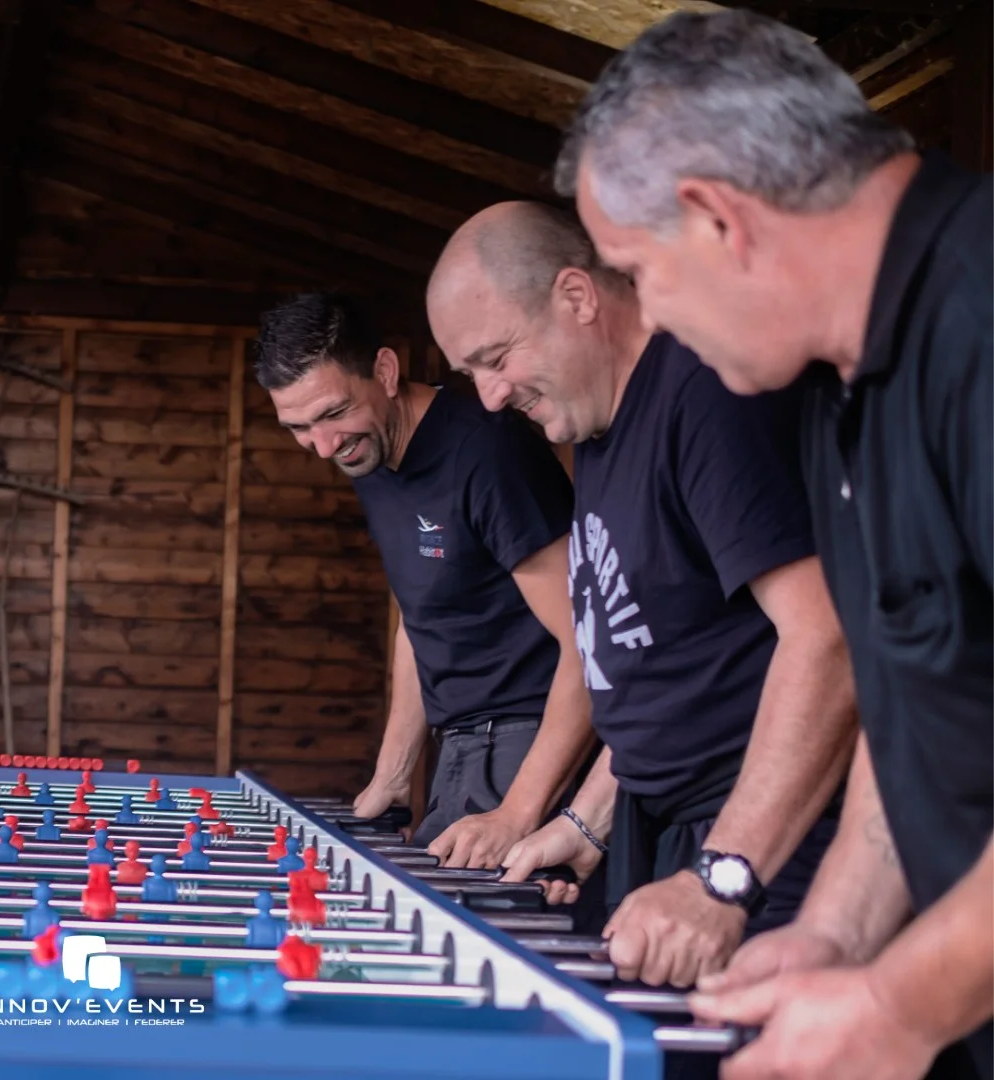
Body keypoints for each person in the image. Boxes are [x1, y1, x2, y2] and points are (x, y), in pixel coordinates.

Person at [556, 10, 992, 1080]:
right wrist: (835, 935)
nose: (646, 315)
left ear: (716, 218)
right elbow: (916, 712)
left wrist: (896, 1001)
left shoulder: (980, 315)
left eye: (635, 271)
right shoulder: (841, 386)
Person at [426, 204, 857, 1015]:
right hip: (662, 830)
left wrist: (724, 878)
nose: (487, 398)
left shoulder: (703, 396)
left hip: (772, 841)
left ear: (578, 297)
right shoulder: (594, 429)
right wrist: (584, 823)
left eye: (495, 358)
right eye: (468, 373)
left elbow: (827, 636)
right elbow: (659, 667)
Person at [254, 293, 595, 867]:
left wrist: (519, 811)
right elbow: (421, 619)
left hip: (534, 744)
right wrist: (392, 777)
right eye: (298, 427)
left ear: (385, 372)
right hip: (459, 748)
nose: (322, 446)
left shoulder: (488, 455)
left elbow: (588, 643)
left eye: (334, 414)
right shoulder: (369, 456)